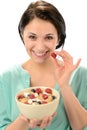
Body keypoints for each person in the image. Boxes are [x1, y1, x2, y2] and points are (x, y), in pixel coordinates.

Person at [0, 0, 87, 130]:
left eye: (49, 37)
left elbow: (81, 127)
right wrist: (26, 118)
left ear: (58, 38)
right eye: (32, 37)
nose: (40, 47)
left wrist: (64, 86)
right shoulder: (7, 78)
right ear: (22, 35)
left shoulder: (79, 74)